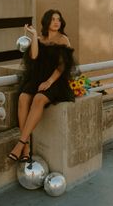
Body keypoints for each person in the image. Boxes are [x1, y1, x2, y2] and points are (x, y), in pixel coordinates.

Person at [8, 9, 75, 162]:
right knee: (23, 98)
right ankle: (27, 145)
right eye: (53, 19)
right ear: (46, 22)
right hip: (37, 78)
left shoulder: (63, 39)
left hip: (55, 80)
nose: (56, 22)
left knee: (38, 98)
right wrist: (33, 35)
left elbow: (62, 66)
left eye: (58, 19)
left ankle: (20, 144)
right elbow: (34, 57)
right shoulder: (39, 38)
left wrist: (50, 81)